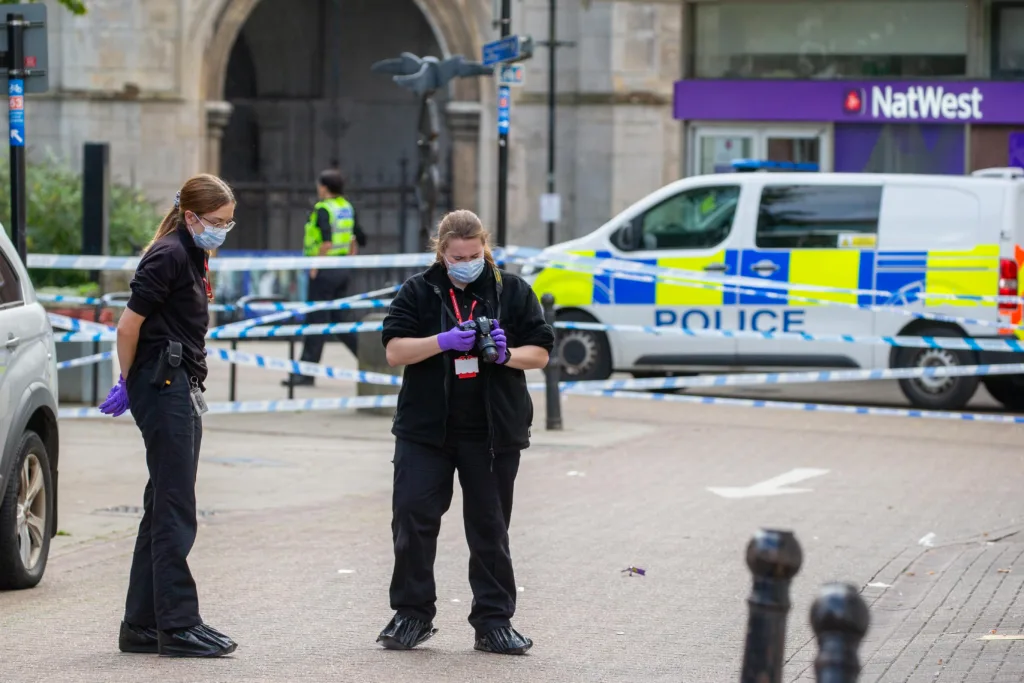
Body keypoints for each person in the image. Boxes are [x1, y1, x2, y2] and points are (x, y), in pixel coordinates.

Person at [376, 209, 554, 655]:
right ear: (442, 252)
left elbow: (541, 353)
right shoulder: (418, 290)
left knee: (489, 526)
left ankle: (493, 621)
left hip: (492, 431)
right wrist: (441, 342)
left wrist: (504, 354)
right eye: (458, 256)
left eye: (475, 254)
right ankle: (412, 615)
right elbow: (395, 350)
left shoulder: (510, 290)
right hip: (426, 430)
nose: (467, 262)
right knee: (413, 519)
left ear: (485, 247)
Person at [99, 173, 239, 658]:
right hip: (162, 383)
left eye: (228, 222)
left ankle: (141, 624)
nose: (223, 230)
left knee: (163, 504)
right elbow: (127, 325)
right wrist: (125, 381)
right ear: (191, 216)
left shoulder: (193, 253)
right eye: (217, 221)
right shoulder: (170, 254)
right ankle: (177, 626)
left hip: (176, 382)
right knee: (176, 509)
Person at [283, 168, 367, 387]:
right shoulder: (346, 208)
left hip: (324, 269)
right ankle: (368, 359)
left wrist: (315, 265)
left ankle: (305, 373)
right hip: (342, 269)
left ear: (324, 187)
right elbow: (357, 238)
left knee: (315, 321)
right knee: (340, 320)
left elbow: (326, 243)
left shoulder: (323, 209)